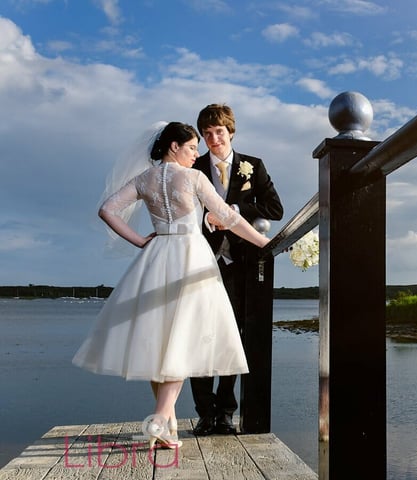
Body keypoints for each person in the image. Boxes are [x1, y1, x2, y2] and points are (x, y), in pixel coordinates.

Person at [72, 121, 271, 449]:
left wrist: (139, 241)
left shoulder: (144, 179)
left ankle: (169, 426)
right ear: (173, 146)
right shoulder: (193, 177)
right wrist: (263, 241)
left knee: (159, 339)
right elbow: (230, 217)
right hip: (190, 257)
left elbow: (107, 210)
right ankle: (161, 418)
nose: (197, 153)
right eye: (192, 147)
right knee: (184, 337)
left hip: (155, 255)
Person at [190, 104, 283, 436]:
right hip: (200, 262)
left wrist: (233, 209)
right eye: (207, 133)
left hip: (239, 266)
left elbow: (275, 208)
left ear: (231, 131)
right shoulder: (194, 166)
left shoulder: (252, 166)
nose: (214, 138)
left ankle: (226, 412)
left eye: (219, 131)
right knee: (198, 337)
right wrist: (204, 216)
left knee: (232, 336)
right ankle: (204, 413)